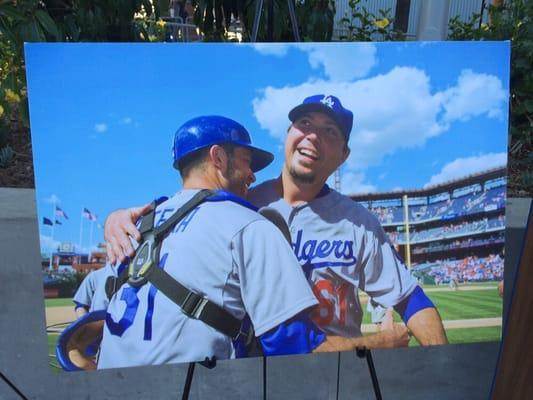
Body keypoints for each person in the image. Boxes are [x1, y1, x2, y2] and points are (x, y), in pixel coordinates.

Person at [105, 96, 447, 347]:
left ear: (344, 155)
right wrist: (118, 218)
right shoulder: (239, 204)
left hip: (339, 368)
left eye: (330, 132)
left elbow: (412, 300)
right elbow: (185, 206)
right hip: (256, 366)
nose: (313, 136)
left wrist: (445, 366)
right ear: (288, 134)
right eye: (305, 125)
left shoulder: (359, 223)